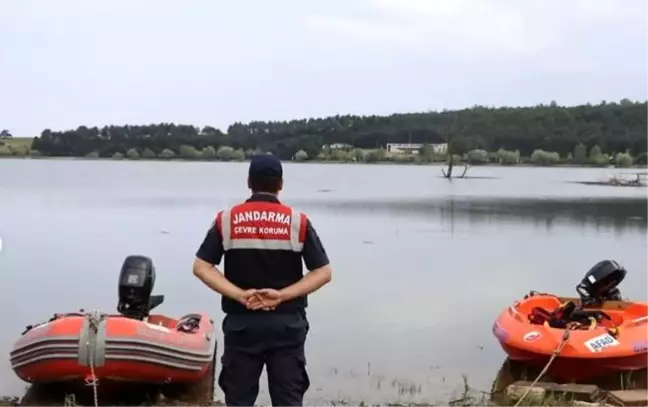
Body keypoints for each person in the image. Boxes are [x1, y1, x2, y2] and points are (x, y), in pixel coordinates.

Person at [192, 154, 332, 407]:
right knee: (288, 400)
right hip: (287, 325)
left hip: (242, 324)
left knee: (238, 400)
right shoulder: (297, 222)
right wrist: (283, 295)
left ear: (249, 182)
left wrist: (239, 294)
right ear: (280, 184)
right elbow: (323, 272)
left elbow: (202, 267)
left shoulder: (227, 220)